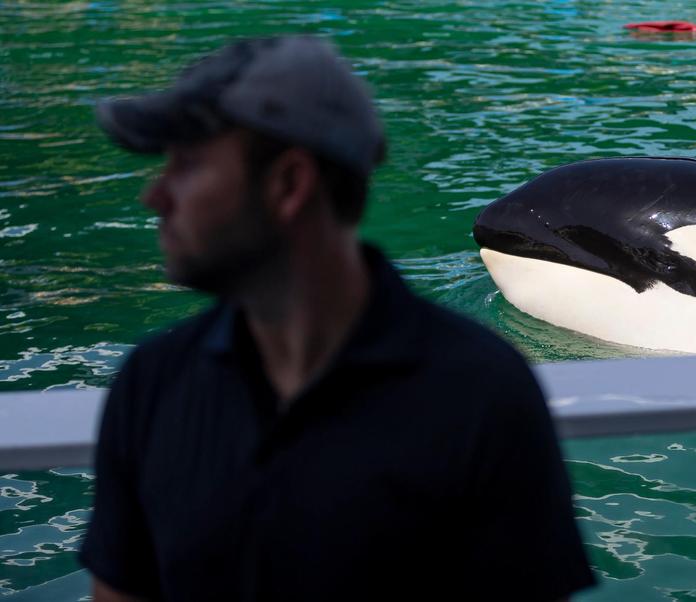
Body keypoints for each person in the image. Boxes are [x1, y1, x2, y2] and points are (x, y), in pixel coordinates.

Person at [80, 35, 595, 601]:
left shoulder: (482, 393)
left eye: (188, 164)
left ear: (289, 184)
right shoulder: (151, 385)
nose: (156, 196)